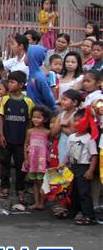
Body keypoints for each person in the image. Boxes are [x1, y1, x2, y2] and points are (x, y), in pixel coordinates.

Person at [0, 70, 33, 210]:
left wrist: (27, 140)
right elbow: (1, 117)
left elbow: (29, 122)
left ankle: (20, 189)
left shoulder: (28, 102)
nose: (10, 84)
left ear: (21, 84)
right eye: (9, 81)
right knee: (5, 163)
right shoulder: (5, 99)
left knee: (20, 166)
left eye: (12, 82)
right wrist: (2, 135)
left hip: (21, 140)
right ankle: (4, 187)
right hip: (7, 137)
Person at [50, 89, 81, 217]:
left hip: (74, 149)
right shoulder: (61, 115)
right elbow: (53, 133)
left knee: (72, 178)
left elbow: (74, 133)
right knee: (61, 178)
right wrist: (62, 125)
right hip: (61, 148)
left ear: (74, 102)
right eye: (62, 99)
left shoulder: (77, 115)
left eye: (65, 99)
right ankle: (61, 205)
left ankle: (71, 206)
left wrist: (63, 127)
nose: (62, 102)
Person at [64, 108, 98, 225]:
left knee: (84, 192)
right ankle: (73, 211)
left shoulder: (89, 138)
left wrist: (91, 170)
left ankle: (89, 215)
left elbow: (94, 155)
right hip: (73, 165)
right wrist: (64, 164)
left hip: (84, 166)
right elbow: (68, 153)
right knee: (73, 191)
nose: (76, 123)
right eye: (75, 121)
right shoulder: (71, 137)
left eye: (79, 121)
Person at [21, 105, 51, 210]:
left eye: (39, 117)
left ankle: (42, 202)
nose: (35, 119)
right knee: (34, 182)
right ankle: (37, 202)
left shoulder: (47, 132)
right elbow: (26, 144)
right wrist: (25, 158)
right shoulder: (30, 131)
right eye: (34, 117)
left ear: (45, 119)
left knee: (42, 182)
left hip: (42, 162)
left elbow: (50, 147)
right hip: (32, 160)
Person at [26, 44, 57, 112]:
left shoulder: (39, 77)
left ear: (32, 57)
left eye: (26, 55)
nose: (25, 58)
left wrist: (54, 111)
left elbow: (48, 96)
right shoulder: (32, 74)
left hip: (41, 113)